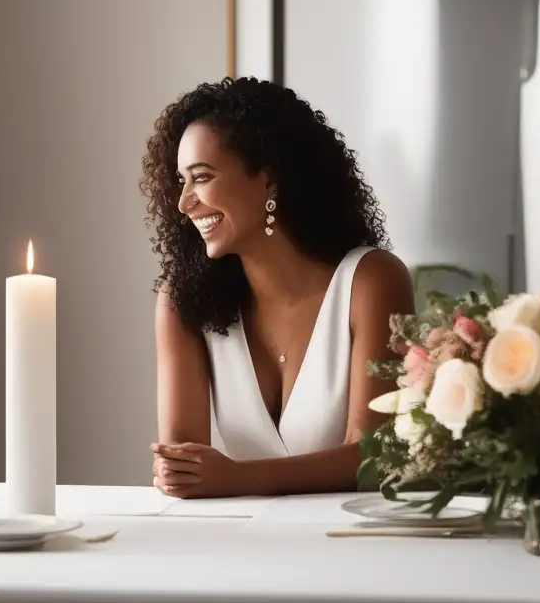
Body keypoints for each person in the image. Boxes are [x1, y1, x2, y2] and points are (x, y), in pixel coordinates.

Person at [139, 77, 415, 499]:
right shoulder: (183, 301)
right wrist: (180, 474)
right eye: (181, 181)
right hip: (246, 549)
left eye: (202, 177)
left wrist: (238, 478)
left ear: (270, 179)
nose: (184, 202)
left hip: (354, 548)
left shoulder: (372, 281)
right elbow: (183, 469)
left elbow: (376, 457)